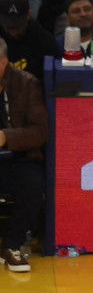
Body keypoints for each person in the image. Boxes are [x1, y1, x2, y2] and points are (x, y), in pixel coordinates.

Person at [0, 37, 49, 273]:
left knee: (33, 182)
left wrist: (6, 137)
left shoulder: (27, 83)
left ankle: (11, 244)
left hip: (17, 157)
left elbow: (40, 131)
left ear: (4, 63)